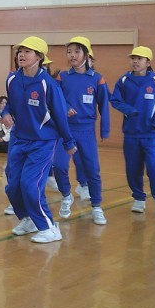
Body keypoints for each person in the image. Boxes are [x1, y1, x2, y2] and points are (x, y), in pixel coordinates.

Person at [1, 36, 77, 243]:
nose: (21, 55)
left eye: (27, 51)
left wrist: (68, 142)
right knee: (13, 186)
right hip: (20, 140)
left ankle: (49, 228)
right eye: (20, 51)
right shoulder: (12, 79)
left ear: (39, 57)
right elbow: (10, 104)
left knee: (30, 185)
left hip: (43, 142)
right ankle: (28, 220)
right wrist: (5, 112)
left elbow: (60, 115)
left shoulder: (48, 84)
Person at [110, 46, 155, 219]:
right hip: (131, 134)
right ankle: (139, 198)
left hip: (151, 134)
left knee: (154, 167)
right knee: (133, 168)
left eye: (139, 59)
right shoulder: (124, 80)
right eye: (133, 58)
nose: (135, 61)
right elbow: (115, 100)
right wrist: (129, 111)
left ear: (148, 62)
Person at [57, 36, 111, 225]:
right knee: (59, 166)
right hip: (65, 129)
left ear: (86, 55)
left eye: (76, 51)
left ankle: (96, 206)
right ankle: (66, 196)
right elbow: (54, 98)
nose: (72, 55)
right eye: (69, 52)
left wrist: (105, 129)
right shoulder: (62, 76)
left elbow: (104, 105)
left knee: (92, 169)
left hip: (86, 131)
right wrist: (65, 107)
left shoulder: (97, 79)